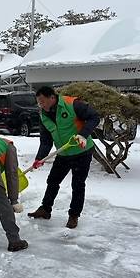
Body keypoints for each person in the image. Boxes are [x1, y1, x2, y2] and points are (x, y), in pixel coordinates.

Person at [27, 86, 99, 229]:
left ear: (52, 98)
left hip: (82, 152)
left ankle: (74, 215)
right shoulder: (43, 115)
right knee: (52, 181)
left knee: (78, 184)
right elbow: (46, 141)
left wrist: (83, 134)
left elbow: (94, 117)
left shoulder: (72, 104)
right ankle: (45, 209)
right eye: (39, 103)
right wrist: (40, 158)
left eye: (43, 102)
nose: (41, 106)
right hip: (63, 153)